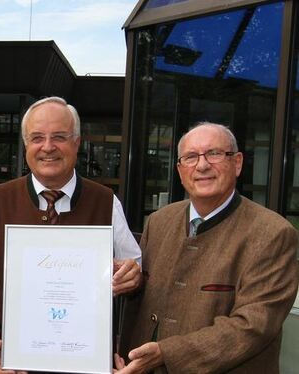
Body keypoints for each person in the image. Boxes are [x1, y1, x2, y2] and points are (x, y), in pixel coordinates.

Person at [0, 96, 143, 374]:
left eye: (59, 136)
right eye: (37, 138)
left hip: (84, 365)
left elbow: (135, 270)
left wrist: (132, 274)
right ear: (26, 146)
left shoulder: (106, 202)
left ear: (77, 143)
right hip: (12, 366)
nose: (47, 147)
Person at [116, 122, 299, 373]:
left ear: (237, 163)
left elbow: (253, 326)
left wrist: (166, 353)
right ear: (180, 171)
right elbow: (143, 299)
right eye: (191, 157)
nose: (202, 165)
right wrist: (129, 281)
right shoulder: (159, 221)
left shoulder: (272, 234)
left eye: (214, 154)